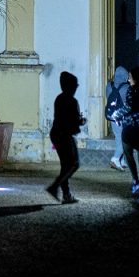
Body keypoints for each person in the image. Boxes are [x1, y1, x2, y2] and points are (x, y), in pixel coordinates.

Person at [114, 65, 139, 203]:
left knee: (128, 154)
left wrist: (116, 114)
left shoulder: (132, 90)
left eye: (130, 77)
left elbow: (129, 107)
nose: (128, 79)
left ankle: (135, 180)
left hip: (131, 129)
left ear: (135, 79)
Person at [45, 71, 85, 204]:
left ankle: (66, 194)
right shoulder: (72, 101)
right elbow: (73, 122)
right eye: (75, 86)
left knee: (65, 164)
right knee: (73, 164)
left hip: (56, 133)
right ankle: (55, 187)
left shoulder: (59, 98)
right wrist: (81, 122)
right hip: (65, 134)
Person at [106, 66, 130, 170]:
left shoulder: (109, 85)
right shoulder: (126, 88)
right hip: (122, 117)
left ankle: (121, 160)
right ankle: (115, 159)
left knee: (118, 138)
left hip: (112, 116)